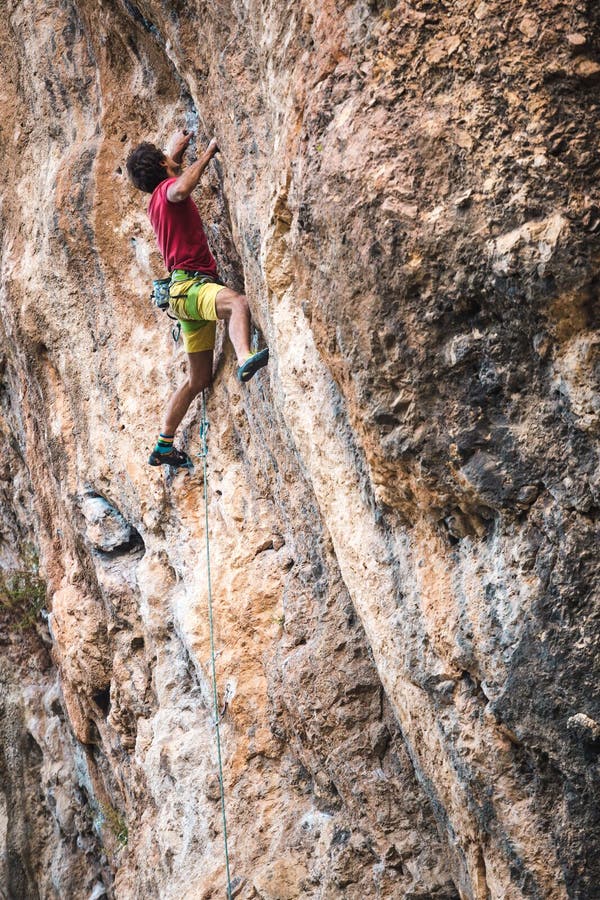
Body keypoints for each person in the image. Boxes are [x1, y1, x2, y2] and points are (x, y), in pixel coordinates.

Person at [126, 130, 268, 469]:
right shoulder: (166, 191)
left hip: (181, 295)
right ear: (162, 166)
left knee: (198, 379)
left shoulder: (153, 201)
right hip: (191, 287)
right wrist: (207, 154)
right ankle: (245, 357)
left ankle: (163, 444)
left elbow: (172, 177)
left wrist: (175, 154)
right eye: (167, 158)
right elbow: (181, 187)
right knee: (238, 304)